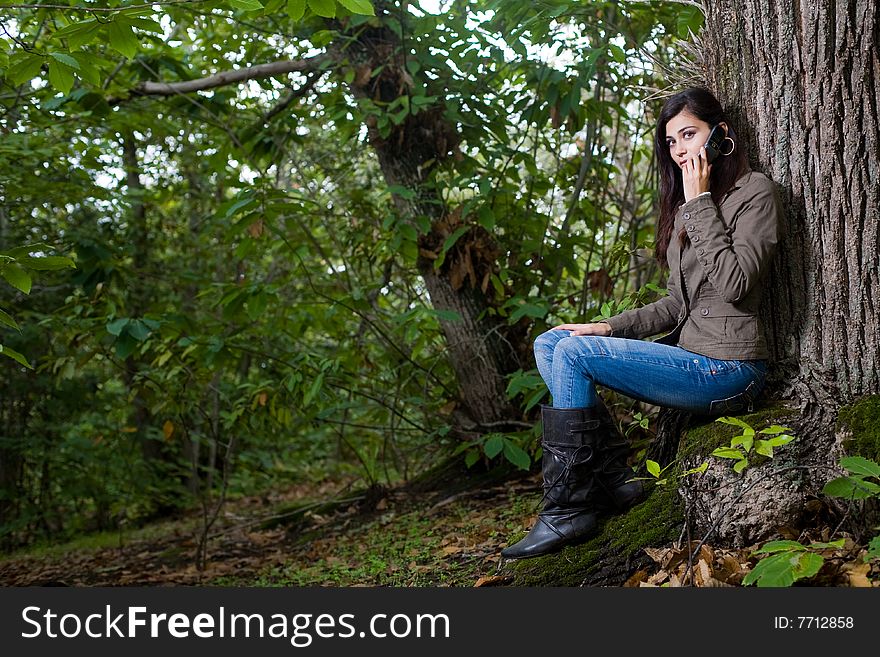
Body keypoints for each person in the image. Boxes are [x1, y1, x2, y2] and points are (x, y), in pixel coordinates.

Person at [501, 87, 782, 560]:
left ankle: (569, 509)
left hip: (732, 369)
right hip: (693, 357)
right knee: (554, 342)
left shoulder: (755, 193)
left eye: (689, 134)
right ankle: (611, 478)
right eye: (671, 142)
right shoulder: (687, 207)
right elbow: (676, 303)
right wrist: (608, 327)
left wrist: (698, 205)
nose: (680, 151)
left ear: (721, 135)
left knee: (570, 354)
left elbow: (736, 286)